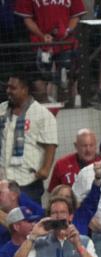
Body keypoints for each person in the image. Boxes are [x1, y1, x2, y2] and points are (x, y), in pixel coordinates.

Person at [0, 72, 58, 202]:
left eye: (13, 88)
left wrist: (45, 169)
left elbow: (50, 145)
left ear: (24, 89)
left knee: (28, 220)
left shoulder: (42, 114)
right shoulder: (2, 109)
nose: (8, 91)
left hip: (27, 181)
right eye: (8, 87)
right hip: (3, 181)